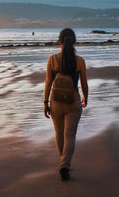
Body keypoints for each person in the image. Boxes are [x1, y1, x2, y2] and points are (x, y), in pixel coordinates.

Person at [43, 28, 88, 180]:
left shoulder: (52, 59)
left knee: (59, 134)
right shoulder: (79, 61)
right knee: (70, 135)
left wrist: (45, 102)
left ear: (60, 41)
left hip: (56, 101)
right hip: (73, 100)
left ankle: (64, 162)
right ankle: (65, 164)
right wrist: (85, 98)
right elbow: (84, 84)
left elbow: (48, 83)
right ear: (73, 41)